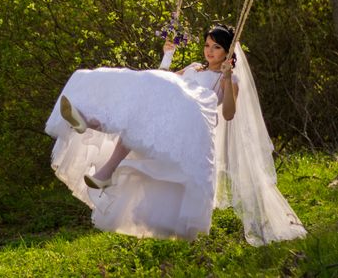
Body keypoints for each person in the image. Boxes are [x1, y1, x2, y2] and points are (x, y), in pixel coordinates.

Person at [45, 24, 306, 245]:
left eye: (215, 47)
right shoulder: (194, 67)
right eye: (207, 45)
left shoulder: (228, 80)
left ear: (228, 52)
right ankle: (91, 130)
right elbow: (161, 83)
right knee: (140, 108)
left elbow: (227, 114)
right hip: (173, 118)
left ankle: (94, 140)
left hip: (193, 126)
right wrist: (168, 57)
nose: (209, 51)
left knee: (143, 116)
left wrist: (227, 79)